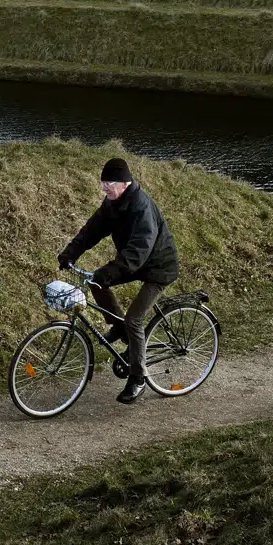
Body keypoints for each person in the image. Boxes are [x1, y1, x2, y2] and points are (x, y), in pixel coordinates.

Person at [57, 157, 180, 404]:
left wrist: (111, 271)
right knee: (95, 283)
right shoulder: (112, 203)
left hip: (158, 267)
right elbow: (92, 230)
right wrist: (71, 252)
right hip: (137, 262)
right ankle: (118, 326)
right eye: (102, 183)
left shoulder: (141, 207)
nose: (104, 188)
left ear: (124, 183)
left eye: (108, 183)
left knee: (135, 319)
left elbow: (138, 250)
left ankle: (138, 378)